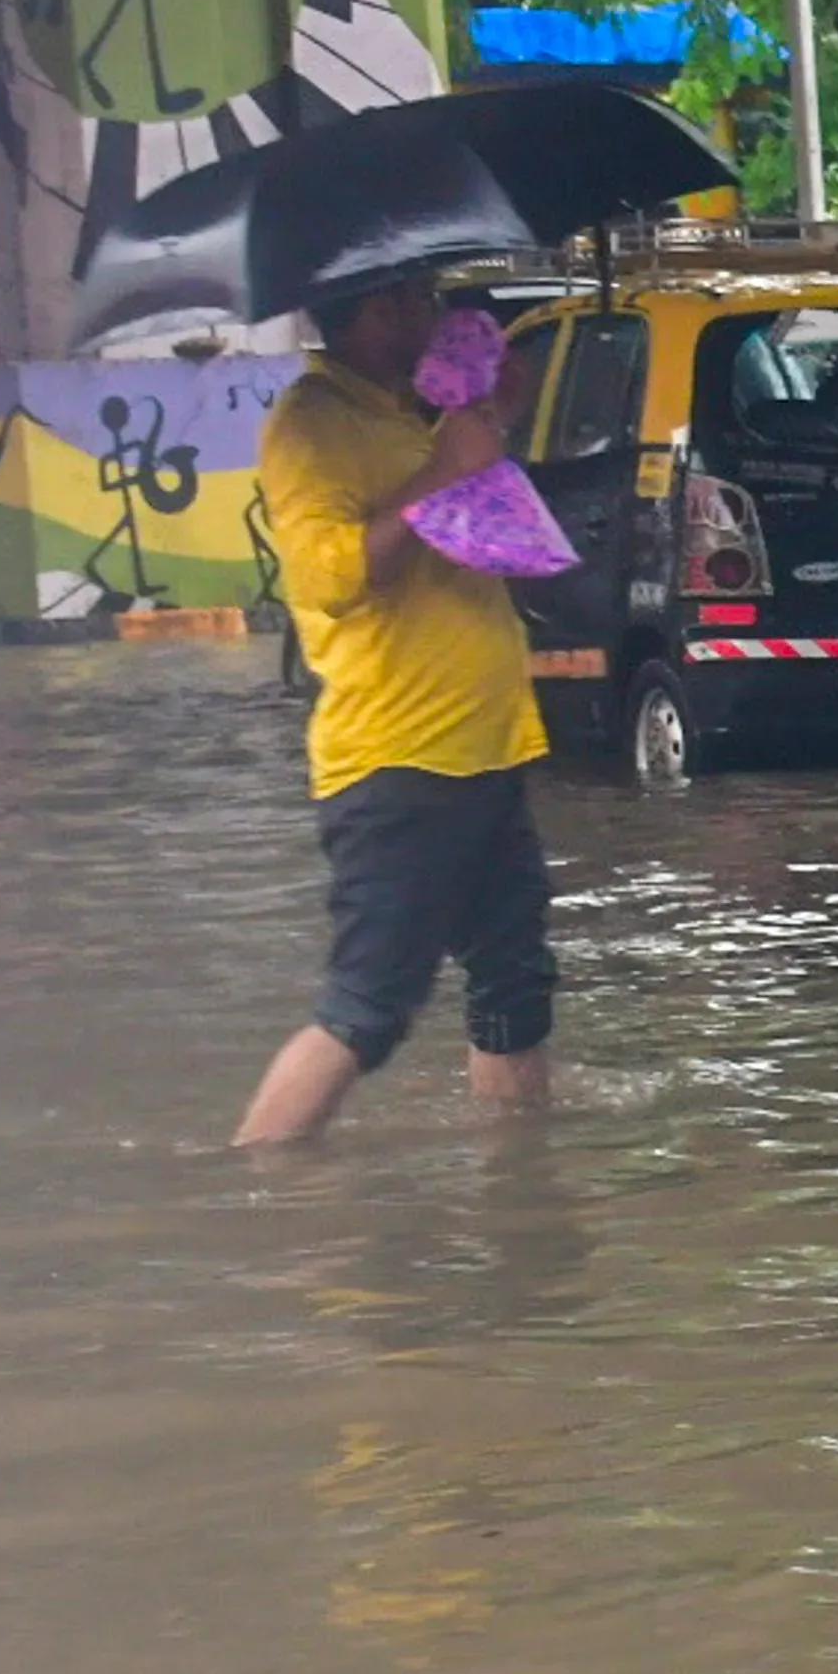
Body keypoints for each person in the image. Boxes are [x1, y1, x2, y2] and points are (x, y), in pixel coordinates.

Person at [232, 266, 557, 1145]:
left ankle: (522, 1180)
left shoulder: (404, 410)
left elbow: (469, 522)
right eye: (422, 296)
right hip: (400, 761)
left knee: (513, 988)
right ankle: (254, 1188)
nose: (442, 314)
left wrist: (488, 424)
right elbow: (325, 578)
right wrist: (446, 470)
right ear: (379, 309)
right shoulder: (312, 424)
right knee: (369, 1007)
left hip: (484, 746)